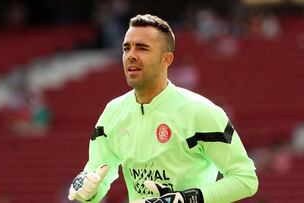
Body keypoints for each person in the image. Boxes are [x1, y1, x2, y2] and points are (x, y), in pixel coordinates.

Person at [68, 14, 258, 203]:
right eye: (126, 48)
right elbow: (96, 184)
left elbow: (245, 179)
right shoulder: (113, 112)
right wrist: (86, 189)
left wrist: (185, 199)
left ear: (166, 59)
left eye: (142, 48)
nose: (131, 55)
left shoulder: (202, 112)